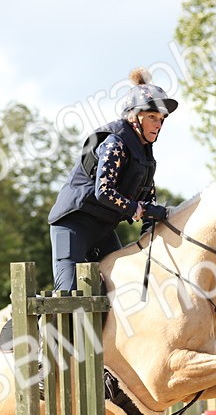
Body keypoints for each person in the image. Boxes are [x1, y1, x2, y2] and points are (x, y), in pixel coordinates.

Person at [48, 68, 177, 291]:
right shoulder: (115, 143)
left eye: (161, 119)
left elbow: (149, 200)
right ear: (134, 117)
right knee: (69, 295)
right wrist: (142, 210)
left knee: (123, 287)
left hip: (104, 229)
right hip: (74, 225)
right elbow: (104, 192)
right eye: (152, 118)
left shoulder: (146, 155)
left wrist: (152, 229)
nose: (158, 125)